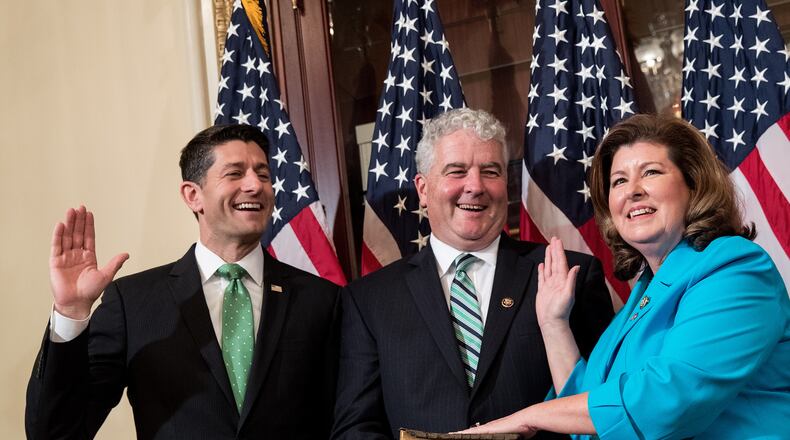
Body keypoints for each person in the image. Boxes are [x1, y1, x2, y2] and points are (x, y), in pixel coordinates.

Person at [462, 114, 790, 438]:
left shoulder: (735, 267)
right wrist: (553, 323)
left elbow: (667, 398)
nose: (632, 191)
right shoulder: (642, 297)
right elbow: (590, 415)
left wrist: (530, 416)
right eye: (619, 180)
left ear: (692, 184)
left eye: (650, 172)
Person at [25, 124, 340, 439]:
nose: (255, 185)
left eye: (263, 174)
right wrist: (70, 312)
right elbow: (54, 433)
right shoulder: (132, 302)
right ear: (193, 195)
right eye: (235, 174)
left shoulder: (322, 300)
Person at [331, 108, 614, 439]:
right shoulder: (368, 299)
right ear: (422, 189)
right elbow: (356, 427)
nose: (475, 186)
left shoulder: (569, 274)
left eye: (490, 171)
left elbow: (603, 406)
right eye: (457, 171)